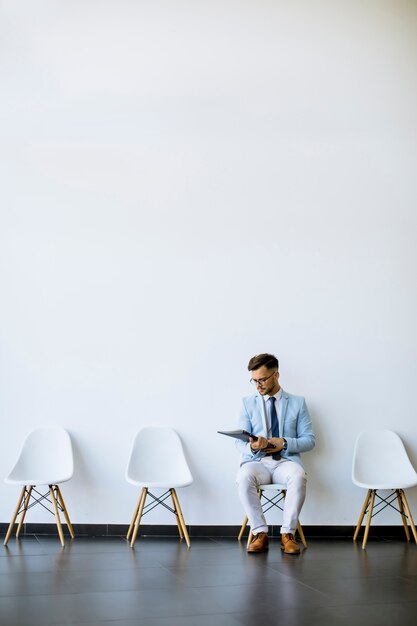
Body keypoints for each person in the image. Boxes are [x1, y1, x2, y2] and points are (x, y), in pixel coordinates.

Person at [236, 353, 315, 554]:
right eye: (254, 381)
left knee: (298, 476)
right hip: (258, 461)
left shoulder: (298, 403)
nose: (258, 385)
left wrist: (284, 442)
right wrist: (253, 446)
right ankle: (259, 532)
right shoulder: (247, 403)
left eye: (262, 379)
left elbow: (309, 440)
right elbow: (239, 443)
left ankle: (288, 533)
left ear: (276, 375)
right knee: (243, 476)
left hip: (286, 461)